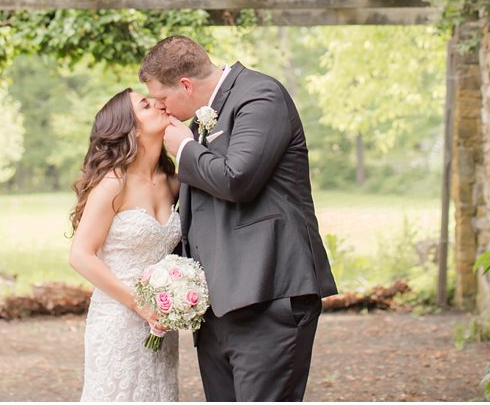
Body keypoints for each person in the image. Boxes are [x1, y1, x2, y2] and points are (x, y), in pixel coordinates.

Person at [141, 35, 337, 402]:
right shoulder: (198, 120)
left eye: (164, 100)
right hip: (218, 308)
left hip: (269, 297)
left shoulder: (260, 96)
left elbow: (237, 179)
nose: (163, 110)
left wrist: (184, 148)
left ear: (186, 85)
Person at [69, 88, 183, 402]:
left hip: (160, 322)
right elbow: (80, 255)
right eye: (146, 105)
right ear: (130, 129)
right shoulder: (113, 183)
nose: (159, 103)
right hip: (118, 319)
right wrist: (138, 304)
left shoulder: (172, 182)